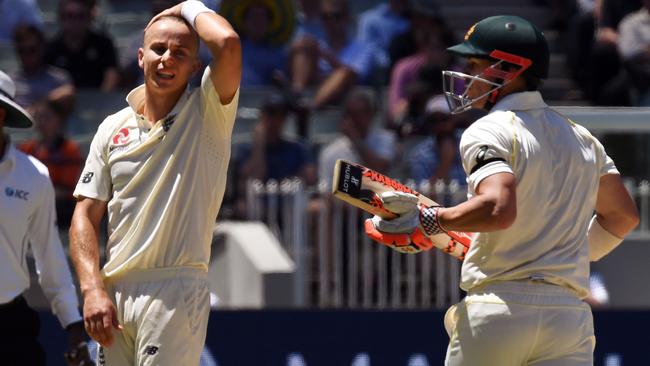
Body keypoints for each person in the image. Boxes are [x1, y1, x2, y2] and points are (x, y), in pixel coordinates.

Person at [364, 15, 639, 365]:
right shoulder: (582, 138)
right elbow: (623, 217)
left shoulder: (489, 130)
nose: (466, 75)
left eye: (475, 64)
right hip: (568, 316)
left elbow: (498, 207)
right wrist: (565, 253)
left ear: (509, 70)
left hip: (499, 309)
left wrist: (431, 220)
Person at [68, 0, 241, 364]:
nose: (167, 59)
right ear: (140, 56)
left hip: (175, 291)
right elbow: (84, 215)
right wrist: (91, 289)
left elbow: (227, 43)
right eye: (159, 49)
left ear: (196, 67)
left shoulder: (208, 111)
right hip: (114, 294)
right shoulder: (111, 127)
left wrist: (189, 5)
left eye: (180, 53)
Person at [0, 70, 90, 365]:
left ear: (2, 115)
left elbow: (49, 252)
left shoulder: (34, 176)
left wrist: (73, 324)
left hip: (9, 326)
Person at [289, 0, 379, 109]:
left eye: (336, 16)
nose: (331, 22)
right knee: (303, 47)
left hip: (349, 97)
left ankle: (312, 108)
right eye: (326, 17)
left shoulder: (364, 48)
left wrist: (324, 55)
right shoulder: (318, 45)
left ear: (347, 17)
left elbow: (356, 76)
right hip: (317, 85)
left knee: (344, 73)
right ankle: (296, 95)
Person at [19, 99, 82, 228]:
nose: (41, 122)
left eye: (46, 117)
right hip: (31, 205)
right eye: (38, 117)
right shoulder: (26, 148)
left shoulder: (70, 149)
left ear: (58, 120)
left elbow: (66, 189)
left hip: (61, 210)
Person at [45, 0, 119, 91]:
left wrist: (101, 99)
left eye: (81, 16)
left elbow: (111, 77)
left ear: (89, 18)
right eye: (70, 16)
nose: (75, 21)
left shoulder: (104, 44)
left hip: (98, 100)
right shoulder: (51, 48)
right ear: (61, 18)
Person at [10, 24, 75, 113]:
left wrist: (37, 108)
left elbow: (68, 93)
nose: (27, 55)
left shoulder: (59, 77)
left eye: (32, 50)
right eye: (21, 50)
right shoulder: (11, 80)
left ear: (42, 48)